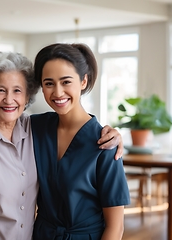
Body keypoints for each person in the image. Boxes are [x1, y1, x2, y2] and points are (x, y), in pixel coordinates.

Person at [0, 50, 124, 240]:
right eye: (0, 90)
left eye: (17, 90)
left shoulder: (34, 128)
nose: (9, 99)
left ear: (28, 96)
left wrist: (116, 135)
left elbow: (116, 227)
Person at [30, 43, 130, 239]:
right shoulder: (35, 128)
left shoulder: (105, 144)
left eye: (66, 82)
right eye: (49, 83)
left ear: (84, 81)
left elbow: (116, 228)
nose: (58, 93)